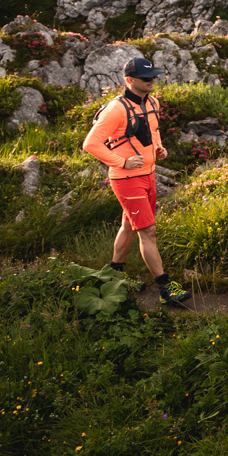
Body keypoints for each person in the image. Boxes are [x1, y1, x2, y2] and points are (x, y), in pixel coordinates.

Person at [82, 56, 191, 305]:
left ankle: (113, 276)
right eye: (146, 78)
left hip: (148, 174)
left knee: (129, 226)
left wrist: (159, 149)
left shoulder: (152, 102)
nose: (152, 81)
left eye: (154, 76)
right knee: (148, 231)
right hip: (126, 179)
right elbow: (90, 144)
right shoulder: (115, 109)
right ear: (129, 81)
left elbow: (153, 132)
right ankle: (166, 288)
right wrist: (120, 162)